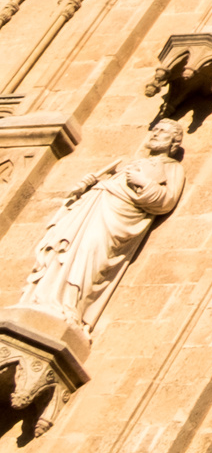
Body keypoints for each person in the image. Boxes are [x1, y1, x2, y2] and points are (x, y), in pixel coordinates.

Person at [22, 119, 186, 330]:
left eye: (162, 132)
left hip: (116, 219)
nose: (155, 134)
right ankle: (44, 297)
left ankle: (69, 306)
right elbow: (110, 184)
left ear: (173, 142)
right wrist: (88, 186)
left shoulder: (172, 168)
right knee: (66, 250)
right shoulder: (129, 162)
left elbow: (166, 201)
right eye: (154, 130)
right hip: (93, 209)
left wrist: (143, 182)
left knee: (90, 254)